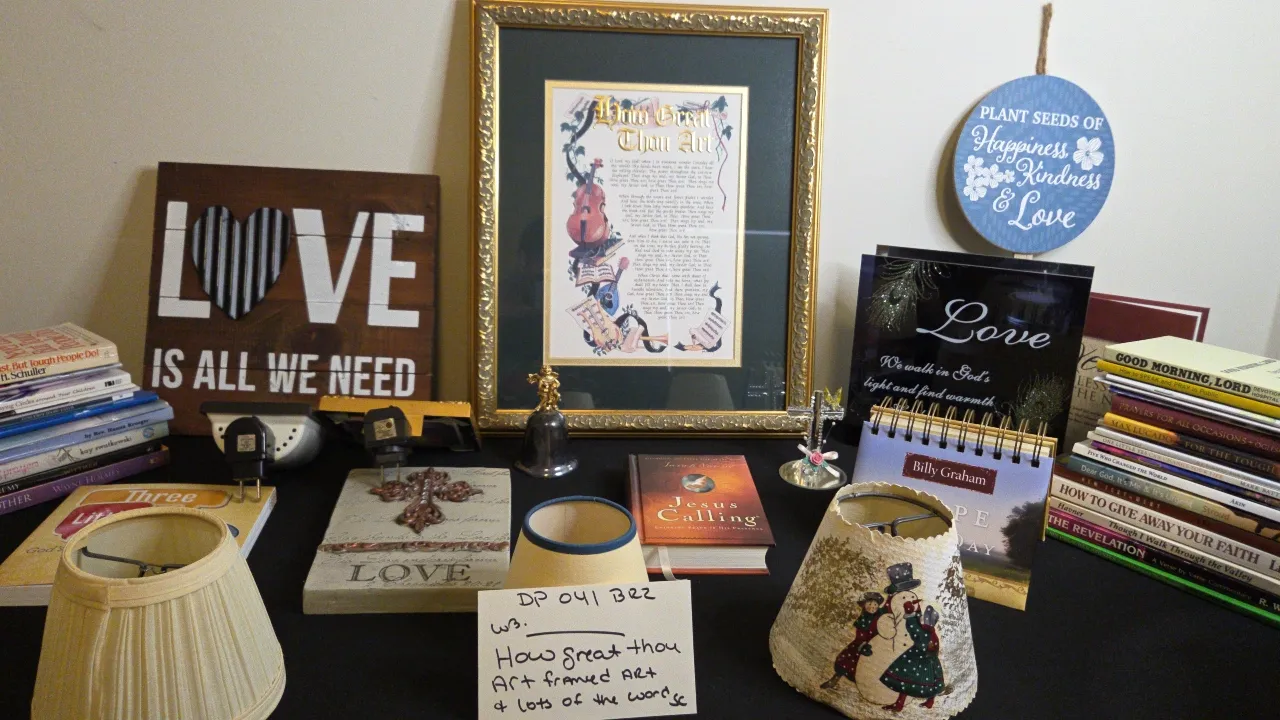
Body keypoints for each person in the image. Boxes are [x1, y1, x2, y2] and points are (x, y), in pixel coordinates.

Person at [820, 592, 888, 690]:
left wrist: (891, 593)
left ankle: (863, 688)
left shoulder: (880, 615)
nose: (872, 607)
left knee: (867, 668)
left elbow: (888, 607)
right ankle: (834, 680)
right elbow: (860, 635)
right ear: (864, 605)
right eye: (869, 604)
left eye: (875, 604)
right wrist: (862, 645)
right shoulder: (863, 619)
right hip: (861, 645)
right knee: (845, 660)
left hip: (876, 645)